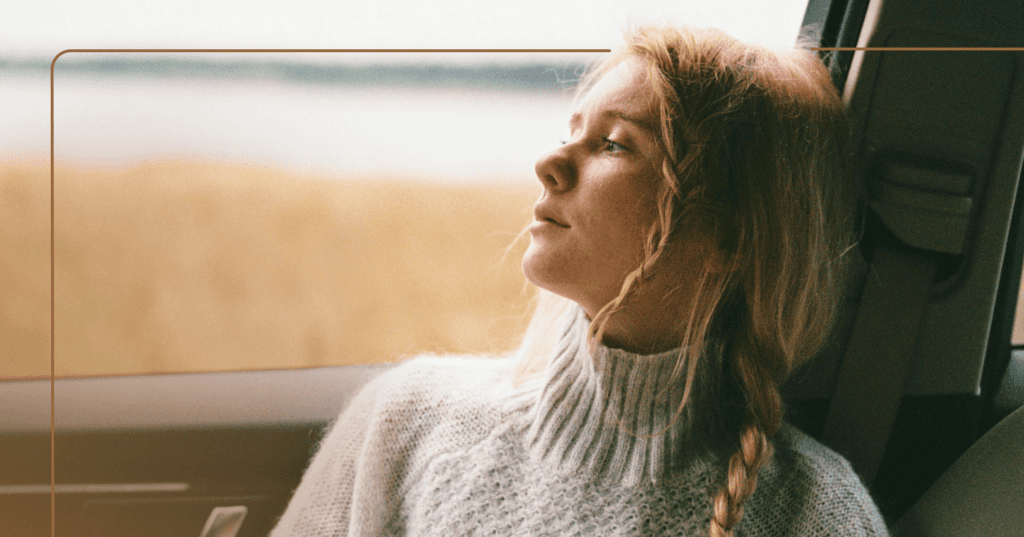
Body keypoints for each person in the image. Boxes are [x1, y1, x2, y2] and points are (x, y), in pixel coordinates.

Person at [270, 25, 889, 536]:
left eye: (615, 145)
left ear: (729, 236)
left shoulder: (817, 514)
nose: (549, 163)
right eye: (572, 132)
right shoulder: (407, 422)